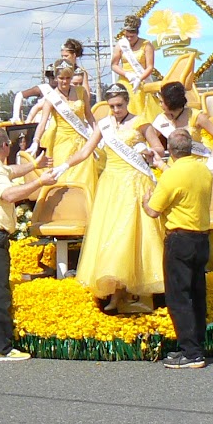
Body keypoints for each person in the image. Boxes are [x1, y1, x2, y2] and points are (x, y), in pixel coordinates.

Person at [62, 84, 164, 313]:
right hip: (112, 185)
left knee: (134, 237)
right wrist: (63, 166)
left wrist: (146, 150)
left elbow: (158, 147)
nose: (116, 110)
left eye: (119, 105)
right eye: (111, 106)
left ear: (127, 102)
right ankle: (118, 293)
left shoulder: (141, 122)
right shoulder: (104, 125)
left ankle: (137, 295)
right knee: (113, 237)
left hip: (135, 183)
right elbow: (86, 151)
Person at [0, 127, 56, 360]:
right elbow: (8, 195)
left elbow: (12, 171)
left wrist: (35, 165)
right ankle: (2, 348)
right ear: (5, 146)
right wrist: (41, 182)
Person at [143, 130, 213, 369]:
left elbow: (153, 210)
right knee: (197, 295)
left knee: (178, 297)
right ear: (190, 148)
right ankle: (197, 346)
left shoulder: (172, 177)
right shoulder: (202, 169)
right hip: (202, 238)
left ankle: (191, 352)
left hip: (180, 239)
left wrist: (145, 200)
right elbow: (181, 178)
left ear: (170, 151)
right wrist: (163, 167)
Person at [28, 61, 97, 196]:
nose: (64, 81)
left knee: (85, 178)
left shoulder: (81, 92)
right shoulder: (51, 97)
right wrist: (35, 141)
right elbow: (42, 123)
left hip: (82, 141)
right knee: (64, 177)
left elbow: (89, 116)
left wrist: (97, 134)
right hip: (62, 143)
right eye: (61, 78)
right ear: (55, 78)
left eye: (67, 78)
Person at [144, 81, 213, 168]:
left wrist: (212, 159)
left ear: (170, 102)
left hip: (197, 163)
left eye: (162, 102)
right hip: (174, 165)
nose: (160, 105)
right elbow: (151, 138)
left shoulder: (196, 116)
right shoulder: (161, 119)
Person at [111, 14, 157, 117]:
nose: (129, 39)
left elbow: (150, 67)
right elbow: (114, 65)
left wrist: (139, 79)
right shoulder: (121, 44)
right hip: (125, 80)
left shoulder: (146, 45)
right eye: (127, 36)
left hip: (141, 80)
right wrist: (127, 74)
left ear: (137, 33)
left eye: (132, 36)